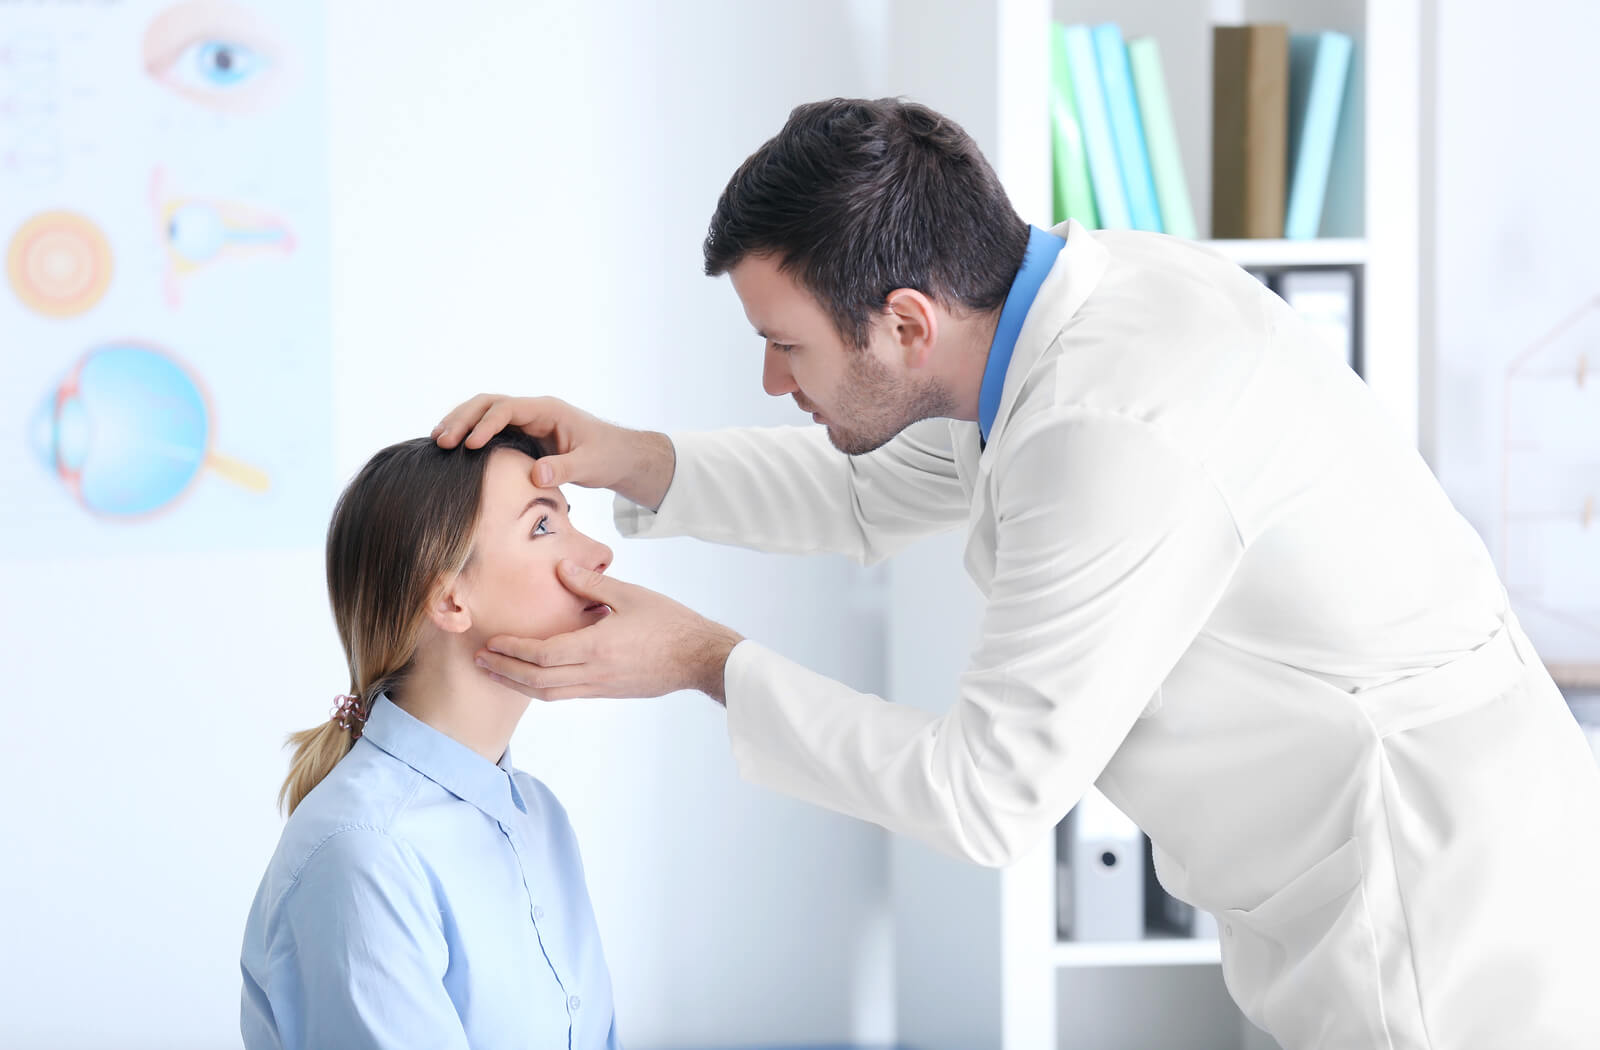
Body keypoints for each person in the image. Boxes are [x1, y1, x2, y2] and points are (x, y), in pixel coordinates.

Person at [434, 98, 1600, 1047]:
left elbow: (981, 796)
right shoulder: (1053, 312)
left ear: (902, 322)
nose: (774, 384)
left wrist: (702, 661)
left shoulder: (1114, 429)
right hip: (1386, 864)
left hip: (1433, 922)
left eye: (785, 346)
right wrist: (629, 457)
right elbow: (866, 488)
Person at [240, 430, 622, 1050]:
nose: (600, 553)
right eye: (543, 528)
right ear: (448, 597)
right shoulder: (365, 852)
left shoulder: (539, 817)